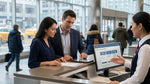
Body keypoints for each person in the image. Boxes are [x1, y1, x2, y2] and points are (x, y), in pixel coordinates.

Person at [109, 12, 150, 84]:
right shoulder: (145, 44)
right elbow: (141, 66)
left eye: (132, 24)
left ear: (140, 26)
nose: (131, 28)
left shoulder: (145, 47)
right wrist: (124, 62)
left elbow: (138, 78)